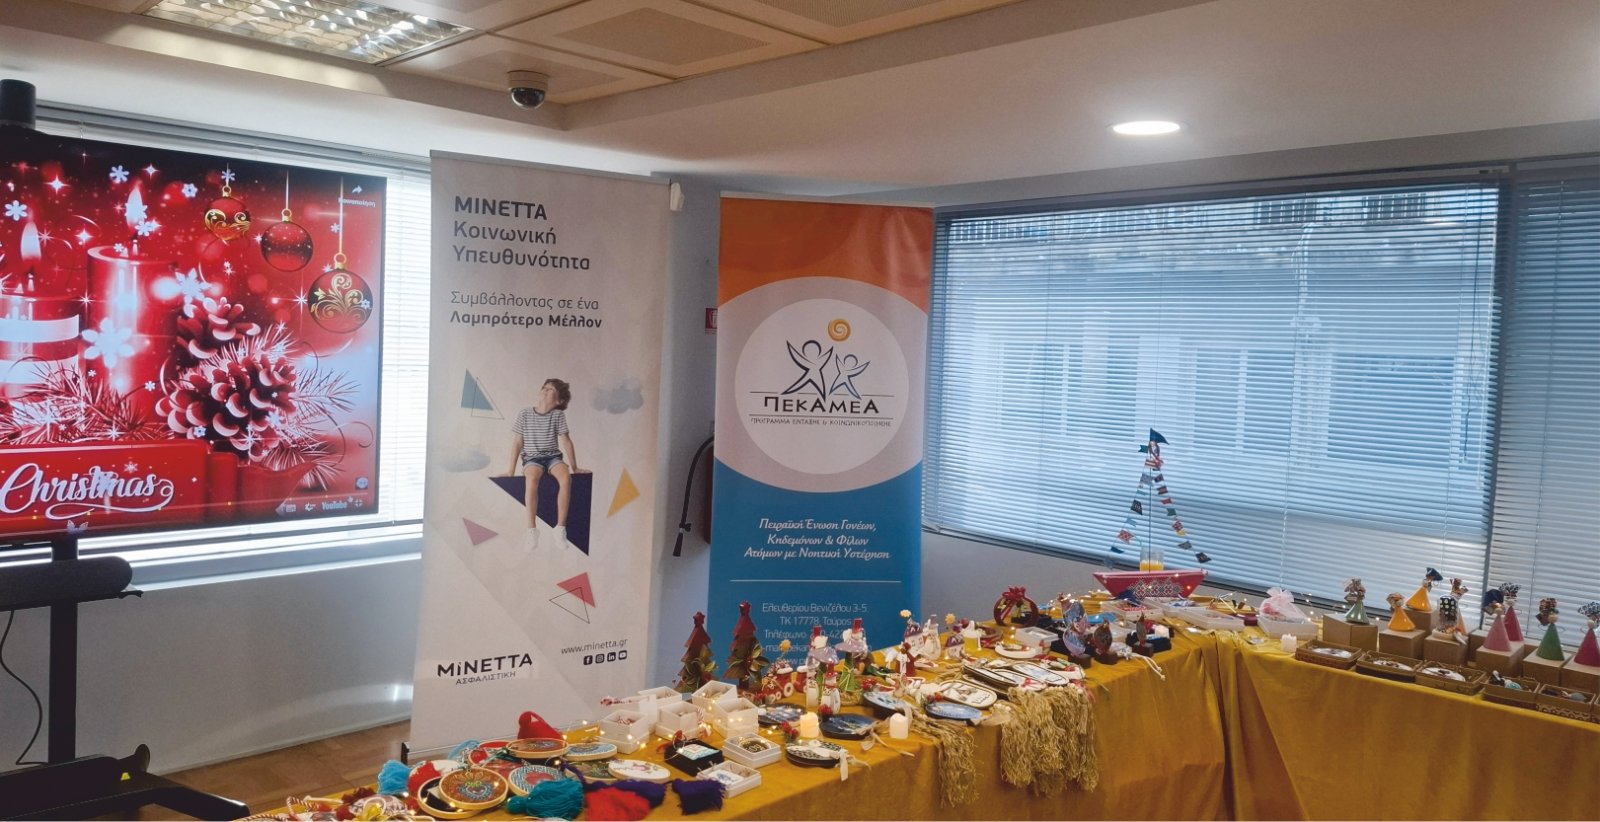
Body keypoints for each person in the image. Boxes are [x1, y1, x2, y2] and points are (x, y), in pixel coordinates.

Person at [506, 378, 579, 548]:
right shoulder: (525, 414)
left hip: (553, 457)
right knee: (531, 479)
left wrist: (575, 467)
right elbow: (517, 443)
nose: (545, 390)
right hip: (532, 458)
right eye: (544, 387)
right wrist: (510, 470)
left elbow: (566, 441)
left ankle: (560, 528)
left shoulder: (558, 415)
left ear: (559, 401)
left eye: (551, 389)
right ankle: (532, 530)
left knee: (566, 478)